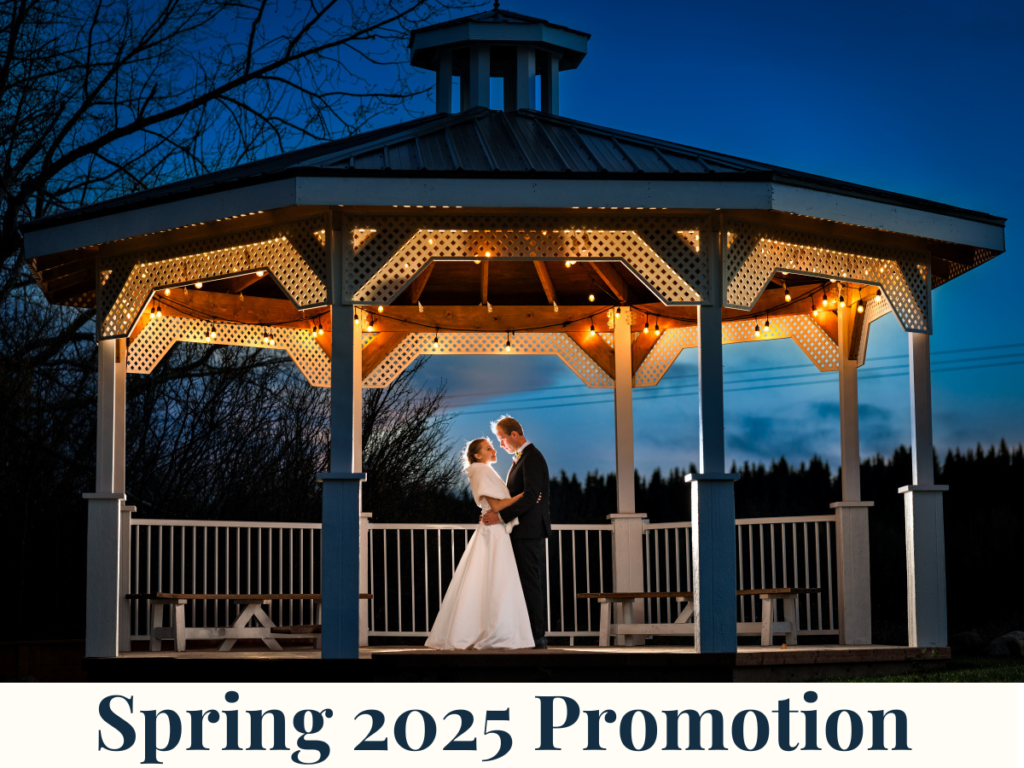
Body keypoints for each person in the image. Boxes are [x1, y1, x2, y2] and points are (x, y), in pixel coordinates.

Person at [424, 437, 535, 650]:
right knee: (496, 580)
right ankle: (496, 632)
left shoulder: (480, 470)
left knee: (484, 580)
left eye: (493, 447)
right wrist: (525, 495)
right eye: (488, 448)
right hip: (493, 533)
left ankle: (479, 629)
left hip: (492, 530)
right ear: (477, 455)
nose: (494, 450)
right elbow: (497, 504)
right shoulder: (482, 470)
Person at [480, 415, 551, 650]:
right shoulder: (521, 458)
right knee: (521, 582)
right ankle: (524, 634)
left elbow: (531, 496)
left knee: (530, 582)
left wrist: (499, 517)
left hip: (528, 530)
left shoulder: (532, 458)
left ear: (514, 435)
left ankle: (537, 636)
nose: (500, 445)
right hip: (520, 530)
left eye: (501, 439)